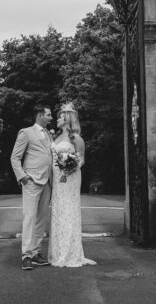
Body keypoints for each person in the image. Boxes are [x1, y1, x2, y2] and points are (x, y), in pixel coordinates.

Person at [48, 102, 97, 267]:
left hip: (70, 178)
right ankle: (59, 252)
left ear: (67, 119)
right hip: (57, 178)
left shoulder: (76, 138)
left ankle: (70, 253)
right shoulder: (55, 137)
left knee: (69, 210)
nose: (57, 119)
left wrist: (69, 168)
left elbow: (81, 159)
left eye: (60, 117)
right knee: (58, 210)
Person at [10, 104, 53, 270]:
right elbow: (15, 158)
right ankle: (26, 255)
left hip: (47, 182)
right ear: (40, 115)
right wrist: (23, 177)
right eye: (48, 115)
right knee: (29, 218)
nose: (51, 118)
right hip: (32, 181)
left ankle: (36, 253)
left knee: (41, 219)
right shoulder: (26, 132)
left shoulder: (49, 134)